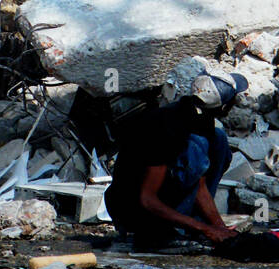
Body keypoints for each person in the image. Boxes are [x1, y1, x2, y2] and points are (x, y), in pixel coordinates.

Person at [105, 73, 247, 251]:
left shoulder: (200, 118)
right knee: (197, 147)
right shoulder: (167, 128)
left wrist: (218, 228)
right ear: (223, 107)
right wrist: (205, 229)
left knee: (218, 140)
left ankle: (190, 226)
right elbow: (148, 199)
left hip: (161, 198)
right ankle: (161, 233)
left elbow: (200, 185)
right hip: (132, 209)